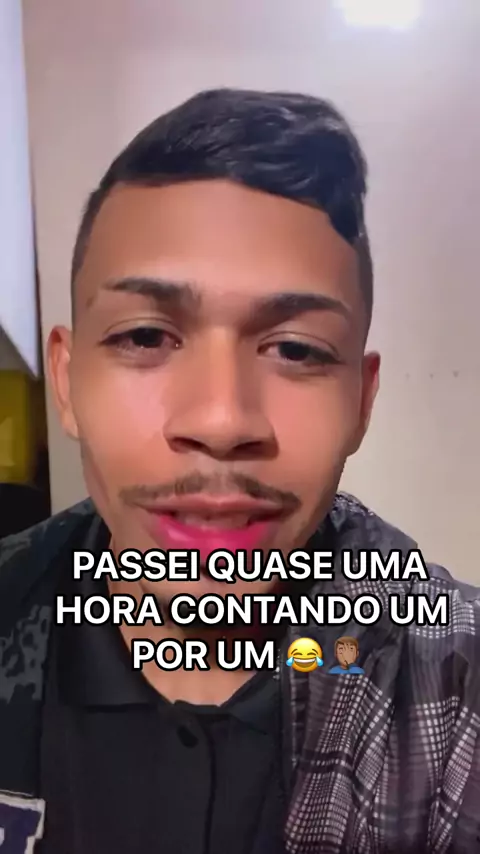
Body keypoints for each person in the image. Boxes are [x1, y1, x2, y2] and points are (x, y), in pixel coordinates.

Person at [0, 88, 478, 854]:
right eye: (146, 336)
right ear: (65, 380)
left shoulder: (454, 687)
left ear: (361, 401)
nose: (222, 420)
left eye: (296, 349)